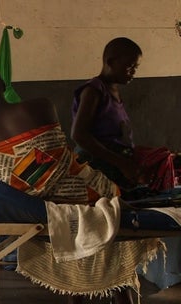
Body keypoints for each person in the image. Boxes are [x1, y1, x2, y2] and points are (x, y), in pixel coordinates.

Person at [0, 57, 165, 304]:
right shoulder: (42, 105)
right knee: (97, 211)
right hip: (82, 189)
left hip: (38, 202)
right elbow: (63, 160)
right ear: (1, 84)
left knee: (72, 214)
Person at [71, 37, 176, 198]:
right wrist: (122, 163)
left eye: (136, 67)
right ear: (111, 62)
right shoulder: (93, 90)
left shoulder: (113, 91)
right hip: (95, 167)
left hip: (114, 166)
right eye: (129, 67)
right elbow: (79, 134)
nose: (133, 72)